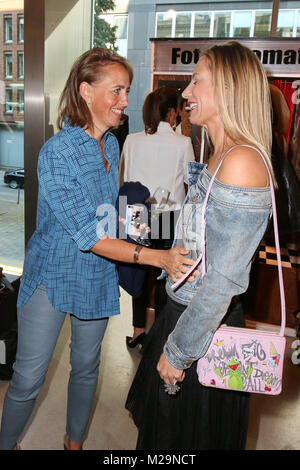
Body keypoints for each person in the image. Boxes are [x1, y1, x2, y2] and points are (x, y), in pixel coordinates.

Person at [0, 47, 196, 451]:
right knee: (28, 378)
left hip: (94, 274)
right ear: (86, 92)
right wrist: (156, 256)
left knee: (86, 368)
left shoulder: (109, 146)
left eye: (127, 91)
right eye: (117, 91)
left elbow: (108, 217)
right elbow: (89, 234)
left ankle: (74, 443)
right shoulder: (57, 152)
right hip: (51, 277)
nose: (125, 101)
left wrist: (160, 230)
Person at [125, 40, 275, 450]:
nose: (186, 93)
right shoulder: (218, 150)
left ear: (228, 88)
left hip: (201, 331)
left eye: (196, 82)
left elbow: (224, 279)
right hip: (183, 317)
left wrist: (178, 352)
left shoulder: (242, 160)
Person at [120, 86, 195, 348]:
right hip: (167, 215)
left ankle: (138, 329)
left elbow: (127, 179)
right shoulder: (183, 142)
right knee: (167, 273)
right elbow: (190, 182)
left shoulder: (132, 140)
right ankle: (162, 335)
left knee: (138, 269)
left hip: (138, 212)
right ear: (173, 112)